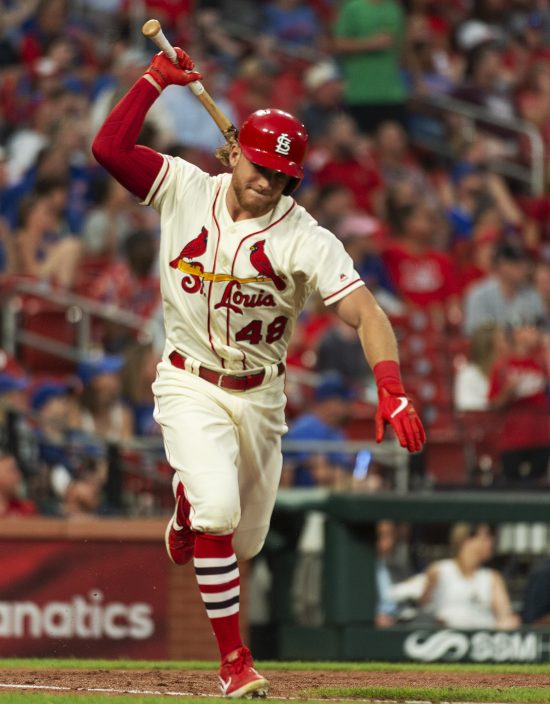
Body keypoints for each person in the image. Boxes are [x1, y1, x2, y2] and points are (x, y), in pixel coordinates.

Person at [91, 45, 426, 698]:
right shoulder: (187, 188)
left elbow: (367, 313)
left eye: (281, 175)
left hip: (260, 397)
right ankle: (234, 663)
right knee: (220, 510)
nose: (267, 182)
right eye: (260, 166)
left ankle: (189, 507)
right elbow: (109, 149)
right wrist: (153, 82)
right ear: (232, 151)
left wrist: (391, 387)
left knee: (244, 541)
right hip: (189, 380)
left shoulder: (305, 236)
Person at [421, 522, 520, 630]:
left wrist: (507, 622)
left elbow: (505, 616)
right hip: (447, 640)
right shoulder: (439, 570)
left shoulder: (492, 577)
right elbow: (422, 607)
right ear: (466, 540)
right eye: (485, 537)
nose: (491, 542)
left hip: (482, 640)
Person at [463, 241, 546, 336]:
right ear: (503, 265)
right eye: (517, 264)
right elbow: (474, 334)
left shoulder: (532, 295)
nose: (524, 268)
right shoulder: (479, 294)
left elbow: (542, 330)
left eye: (525, 263)